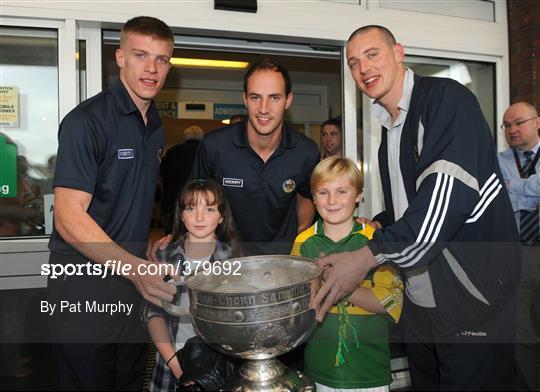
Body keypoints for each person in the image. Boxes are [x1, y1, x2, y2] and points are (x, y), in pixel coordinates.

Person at [312, 25, 521, 390]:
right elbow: (410, 210)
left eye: (372, 54)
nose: (363, 69)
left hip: (473, 295)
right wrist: (378, 226)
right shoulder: (389, 133)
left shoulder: (446, 100)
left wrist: (365, 256)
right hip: (424, 301)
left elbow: (442, 207)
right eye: (353, 63)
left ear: (398, 53)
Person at [47, 16, 176, 390]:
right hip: (84, 285)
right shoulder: (86, 122)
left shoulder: (154, 126)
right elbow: (69, 218)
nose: (151, 69)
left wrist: (150, 244)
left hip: (131, 283)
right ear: (120, 57)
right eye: (140, 55)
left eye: (162, 59)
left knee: (129, 382)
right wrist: (134, 267)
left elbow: (124, 202)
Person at [152, 58, 320, 257]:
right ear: (245, 99)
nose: (264, 109)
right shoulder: (215, 146)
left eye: (274, 97)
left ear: (288, 100)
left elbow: (306, 194)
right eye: (256, 97)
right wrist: (177, 235)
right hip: (227, 258)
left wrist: (301, 233)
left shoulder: (305, 151)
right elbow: (194, 198)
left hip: (283, 258)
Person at [292, 157, 402, 392]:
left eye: (342, 191)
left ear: (359, 195)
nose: (332, 201)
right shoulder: (303, 244)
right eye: (323, 192)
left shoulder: (376, 242)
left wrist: (340, 282)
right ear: (313, 197)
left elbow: (392, 302)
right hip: (320, 371)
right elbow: (299, 306)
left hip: (370, 371)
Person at [143, 178, 241, 391]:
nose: (199, 217)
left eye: (209, 208)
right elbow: (152, 314)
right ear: (181, 213)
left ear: (222, 216)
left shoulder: (233, 261)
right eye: (190, 207)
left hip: (218, 367)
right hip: (170, 362)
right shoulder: (164, 255)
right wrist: (177, 366)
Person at [498, 101, 540, 391]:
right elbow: (499, 201)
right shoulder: (497, 160)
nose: (512, 129)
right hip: (519, 252)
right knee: (523, 331)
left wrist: (514, 187)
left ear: (537, 122)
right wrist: (533, 189)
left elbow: (510, 193)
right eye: (507, 125)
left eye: (519, 122)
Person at [160, 125, 205, 233]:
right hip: (199, 200)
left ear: (185, 137)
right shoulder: (205, 151)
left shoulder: (172, 152)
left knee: (174, 234)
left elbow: (164, 175)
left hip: (174, 200)